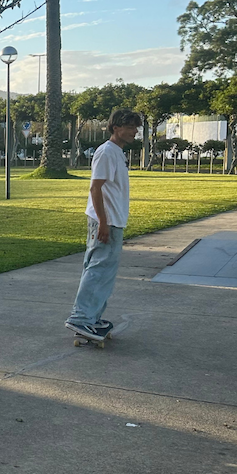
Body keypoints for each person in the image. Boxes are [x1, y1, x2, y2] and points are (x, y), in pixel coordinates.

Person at [66, 108, 140, 340]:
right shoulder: (106, 152)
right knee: (98, 269)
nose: (134, 132)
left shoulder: (117, 152)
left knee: (105, 271)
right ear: (116, 127)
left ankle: (92, 317)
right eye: (130, 127)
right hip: (105, 221)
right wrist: (103, 224)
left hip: (114, 220)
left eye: (136, 127)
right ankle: (81, 318)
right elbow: (95, 188)